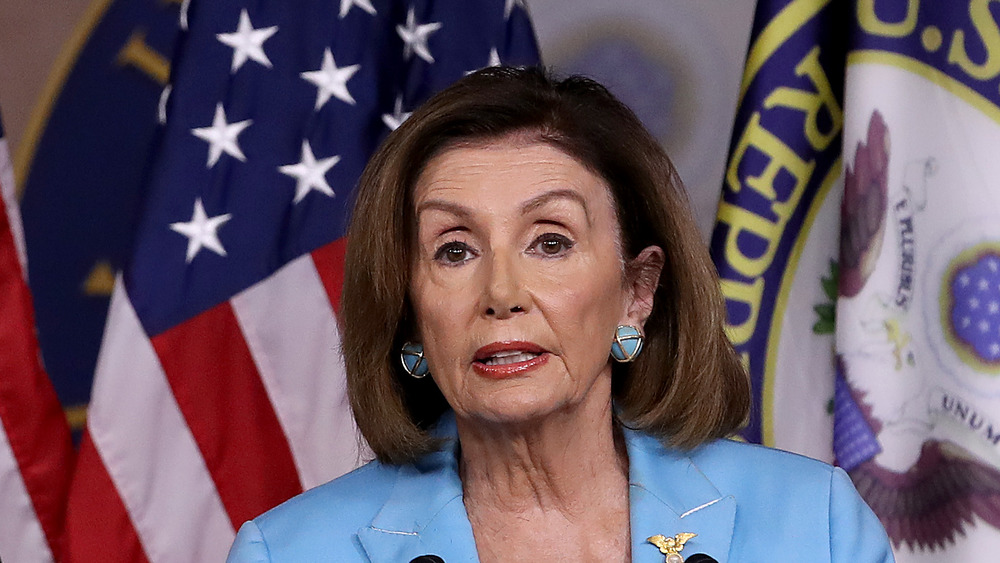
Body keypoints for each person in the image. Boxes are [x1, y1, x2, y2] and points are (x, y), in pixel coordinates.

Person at [227, 66, 894, 563]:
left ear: (637, 291)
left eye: (550, 241)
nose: (502, 291)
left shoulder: (816, 524)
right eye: (454, 249)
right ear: (408, 315)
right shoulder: (286, 551)